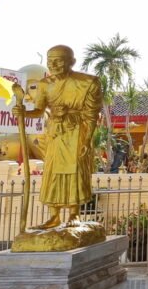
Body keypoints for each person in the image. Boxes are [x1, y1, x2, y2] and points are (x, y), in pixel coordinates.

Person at [13, 45, 103, 228]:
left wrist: (86, 140)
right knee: (52, 172)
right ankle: (54, 215)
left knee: (75, 171)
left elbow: (91, 114)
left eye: (59, 60)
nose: (53, 64)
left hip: (77, 131)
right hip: (55, 133)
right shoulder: (45, 84)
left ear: (72, 62)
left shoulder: (88, 83)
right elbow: (39, 111)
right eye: (50, 61)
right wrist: (23, 113)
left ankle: (73, 214)